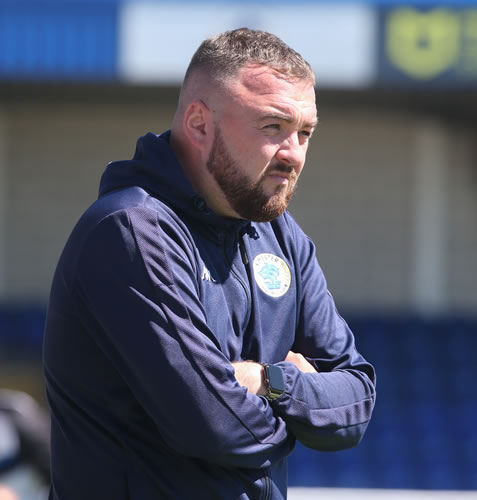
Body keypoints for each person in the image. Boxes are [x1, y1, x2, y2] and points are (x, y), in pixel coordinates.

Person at [43, 28, 376, 499]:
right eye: (273, 127)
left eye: (305, 133)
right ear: (199, 123)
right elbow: (217, 426)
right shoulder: (131, 232)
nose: (294, 154)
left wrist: (270, 382)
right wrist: (304, 407)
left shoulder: (281, 235)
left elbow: (357, 404)